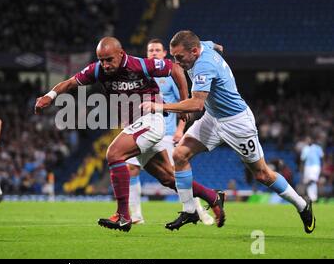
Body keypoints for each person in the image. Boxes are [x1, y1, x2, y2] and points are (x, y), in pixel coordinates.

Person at [35, 36, 225, 232]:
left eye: (109, 59)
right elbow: (70, 83)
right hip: (135, 125)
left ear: (121, 53)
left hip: (151, 120)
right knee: (168, 178)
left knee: (114, 154)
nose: (105, 64)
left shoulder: (138, 65)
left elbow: (175, 68)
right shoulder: (97, 70)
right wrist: (50, 96)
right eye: (101, 59)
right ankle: (212, 196)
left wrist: (185, 102)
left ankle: (123, 216)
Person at [141, 30, 316, 233]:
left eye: (179, 57)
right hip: (213, 118)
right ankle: (190, 210)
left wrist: (161, 107)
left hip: (237, 123)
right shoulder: (203, 46)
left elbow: (197, 104)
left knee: (262, 174)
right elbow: (218, 47)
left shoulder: (204, 66)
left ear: (195, 51)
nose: (176, 61)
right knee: (179, 155)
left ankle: (302, 206)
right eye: (173, 56)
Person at [128, 38, 223, 226]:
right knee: (132, 169)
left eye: (157, 50)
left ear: (164, 54)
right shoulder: (141, 75)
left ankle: (197, 208)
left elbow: (183, 102)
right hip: (141, 130)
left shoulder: (170, 75)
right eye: (150, 50)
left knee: (173, 175)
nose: (154, 53)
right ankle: (137, 215)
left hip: (166, 132)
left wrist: (180, 129)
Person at [300, 136, 324, 202]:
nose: (308, 141)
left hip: (315, 166)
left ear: (312, 140)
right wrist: (301, 170)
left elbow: (322, 158)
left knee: (312, 180)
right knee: (308, 182)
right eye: (306, 140)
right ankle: (312, 198)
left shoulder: (317, 148)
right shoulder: (305, 149)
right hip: (307, 167)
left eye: (309, 139)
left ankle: (309, 196)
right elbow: (302, 160)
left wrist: (322, 167)